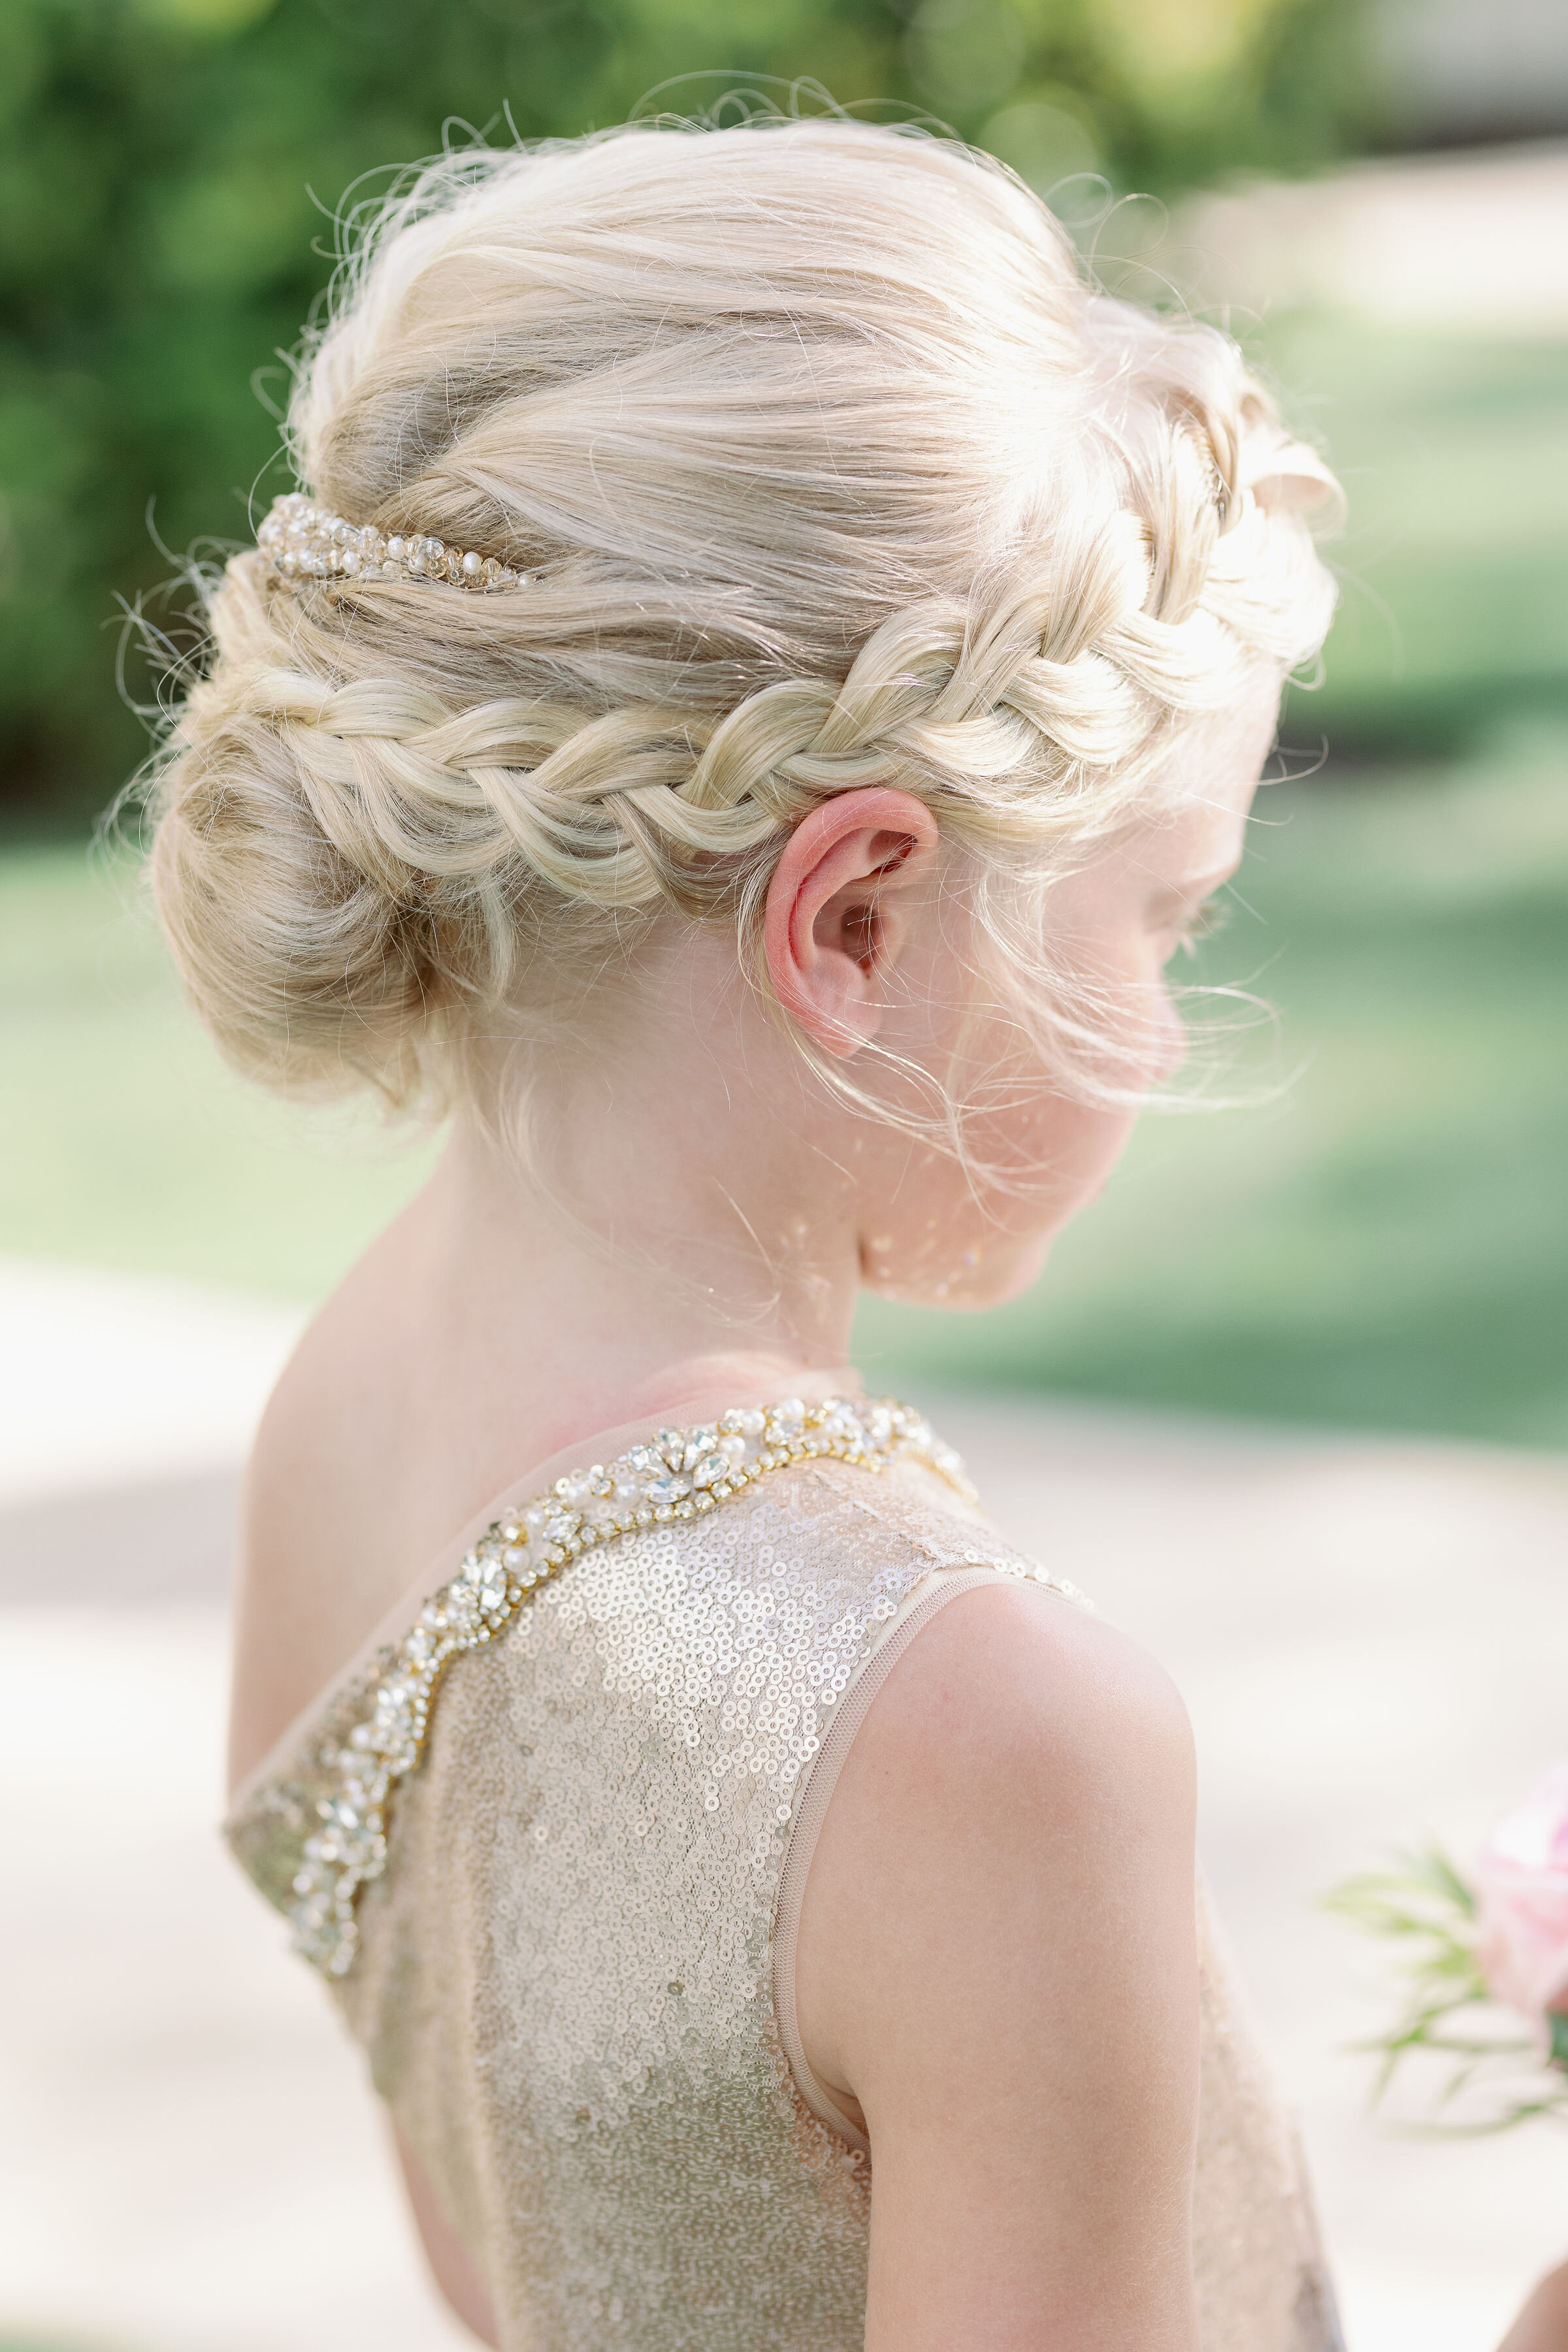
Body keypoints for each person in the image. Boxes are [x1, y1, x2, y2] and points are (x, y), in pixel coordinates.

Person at [144, 115, 1565, 2350]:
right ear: (860, 913)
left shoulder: (347, 1405)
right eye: (1163, 914)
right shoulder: (981, 1732)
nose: (1174, 1002)